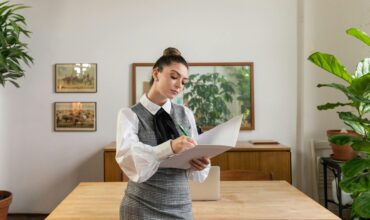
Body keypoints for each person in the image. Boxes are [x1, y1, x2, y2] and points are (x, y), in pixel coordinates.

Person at [116, 47, 211, 220]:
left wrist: (201, 164)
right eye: (174, 77)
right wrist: (170, 147)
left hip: (181, 207)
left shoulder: (186, 114)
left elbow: (196, 172)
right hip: (139, 208)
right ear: (156, 73)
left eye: (184, 82)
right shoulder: (129, 115)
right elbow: (129, 160)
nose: (179, 85)